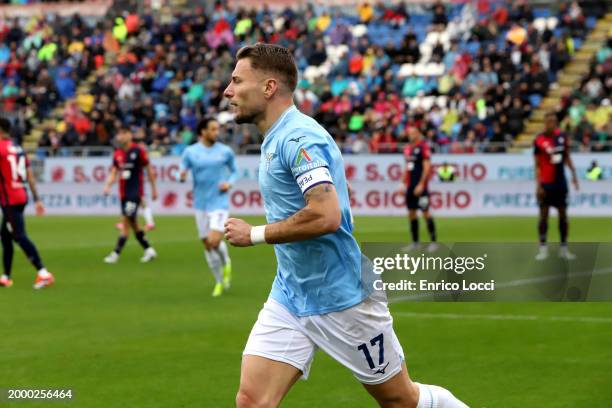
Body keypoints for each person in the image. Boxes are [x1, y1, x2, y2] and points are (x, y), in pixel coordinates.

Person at [223, 43, 467, 408]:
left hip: (343, 296)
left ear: (269, 87)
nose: (228, 91)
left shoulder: (298, 138)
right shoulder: (277, 137)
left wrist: (254, 234)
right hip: (291, 293)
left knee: (401, 399)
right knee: (252, 400)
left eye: (237, 80)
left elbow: (325, 215)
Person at [179, 117, 238, 297]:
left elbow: (234, 171)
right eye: (212, 129)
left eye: (217, 129)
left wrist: (229, 183)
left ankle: (226, 262)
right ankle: (219, 280)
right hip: (200, 204)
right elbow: (181, 170)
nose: (216, 133)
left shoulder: (225, 151)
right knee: (207, 245)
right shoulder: (190, 152)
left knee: (214, 240)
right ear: (203, 131)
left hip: (219, 203)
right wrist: (180, 175)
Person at [0, 118, 54, 289]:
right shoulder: (18, 148)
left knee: (18, 235)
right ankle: (6, 276)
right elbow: (29, 175)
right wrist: (37, 199)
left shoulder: (1, 149)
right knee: (5, 235)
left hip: (9, 198)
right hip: (21, 195)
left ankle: (43, 273)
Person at [102, 125, 158, 263]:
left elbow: (149, 169)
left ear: (129, 135)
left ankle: (115, 254)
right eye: (119, 134)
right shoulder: (118, 153)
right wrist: (108, 185)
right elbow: (114, 171)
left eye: (123, 133)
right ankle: (149, 250)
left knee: (126, 221)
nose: (120, 136)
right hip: (123, 193)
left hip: (135, 192)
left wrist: (153, 188)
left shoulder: (138, 151)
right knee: (133, 224)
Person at [534, 112, 579, 260]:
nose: (551, 124)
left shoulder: (562, 138)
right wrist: (538, 184)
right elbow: (537, 164)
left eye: (554, 121)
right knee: (544, 215)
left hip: (560, 183)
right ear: (545, 123)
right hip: (546, 183)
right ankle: (543, 248)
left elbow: (566, 157)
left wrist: (574, 175)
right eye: (549, 121)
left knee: (563, 215)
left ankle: (564, 248)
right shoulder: (539, 140)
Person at [403, 126, 437, 252]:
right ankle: (415, 242)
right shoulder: (407, 149)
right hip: (410, 187)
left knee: (425, 212)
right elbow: (407, 168)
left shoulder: (423, 147)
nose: (411, 135)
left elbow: (427, 167)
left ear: (418, 134)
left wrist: (421, 184)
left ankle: (433, 242)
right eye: (409, 133)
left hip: (421, 187)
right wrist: (402, 183)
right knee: (411, 213)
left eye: (413, 133)